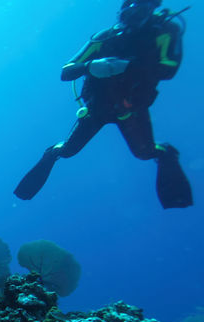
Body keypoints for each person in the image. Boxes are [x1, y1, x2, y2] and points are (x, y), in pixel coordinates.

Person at [15, 0, 193, 209]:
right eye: (129, 6)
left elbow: (168, 69)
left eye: (140, 6)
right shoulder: (106, 37)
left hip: (131, 109)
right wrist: (90, 66)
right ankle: (50, 156)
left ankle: (166, 155)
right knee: (67, 150)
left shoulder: (164, 32)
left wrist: (129, 67)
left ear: (151, 9)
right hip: (97, 108)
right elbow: (67, 70)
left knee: (145, 153)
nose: (132, 12)